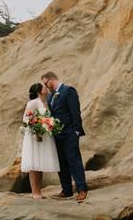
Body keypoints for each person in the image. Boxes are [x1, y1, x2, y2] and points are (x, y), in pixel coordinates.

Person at [41, 71, 88, 202]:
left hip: (70, 133)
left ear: (51, 80)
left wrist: (76, 131)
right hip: (57, 135)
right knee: (61, 163)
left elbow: (75, 111)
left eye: (46, 83)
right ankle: (67, 190)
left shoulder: (68, 91)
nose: (46, 86)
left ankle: (82, 189)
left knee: (74, 161)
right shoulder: (50, 97)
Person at [20, 83, 60, 199]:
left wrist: (49, 124)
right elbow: (26, 118)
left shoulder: (45, 102)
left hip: (44, 136)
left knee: (40, 163)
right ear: (38, 91)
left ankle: (39, 191)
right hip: (34, 137)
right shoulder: (33, 102)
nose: (45, 89)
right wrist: (38, 124)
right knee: (34, 163)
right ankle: (34, 192)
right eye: (43, 87)